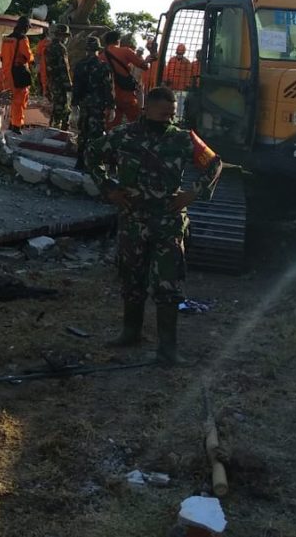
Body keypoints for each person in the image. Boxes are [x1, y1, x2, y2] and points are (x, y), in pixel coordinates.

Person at [86, 86, 223, 363]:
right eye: (162, 115)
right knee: (131, 279)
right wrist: (109, 188)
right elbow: (91, 154)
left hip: (168, 223)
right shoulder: (123, 136)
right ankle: (130, 332)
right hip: (133, 222)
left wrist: (192, 193)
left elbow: (214, 164)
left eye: (172, 115)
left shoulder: (184, 139)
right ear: (146, 110)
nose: (167, 121)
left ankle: (167, 349)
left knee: (168, 285)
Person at [72, 36, 115, 170]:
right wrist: (111, 106)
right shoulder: (103, 66)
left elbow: (76, 86)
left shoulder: (79, 65)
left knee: (83, 132)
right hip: (98, 104)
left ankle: (79, 161)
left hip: (84, 103)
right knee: (96, 133)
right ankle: (93, 163)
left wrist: (74, 104)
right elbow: (108, 88)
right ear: (98, 50)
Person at [101, 30, 153, 129]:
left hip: (110, 97)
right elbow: (144, 66)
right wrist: (149, 61)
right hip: (127, 96)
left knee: (111, 127)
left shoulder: (101, 56)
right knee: (138, 124)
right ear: (118, 41)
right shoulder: (125, 51)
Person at [0, 15, 34, 134]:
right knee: (19, 100)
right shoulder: (22, 39)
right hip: (18, 72)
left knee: (11, 100)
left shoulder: (6, 39)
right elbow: (28, 56)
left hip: (6, 73)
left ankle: (11, 123)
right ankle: (16, 126)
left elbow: (2, 57)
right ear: (25, 27)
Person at [45, 24, 73, 130]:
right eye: (65, 36)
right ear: (61, 36)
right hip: (60, 83)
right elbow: (64, 68)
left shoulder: (48, 47)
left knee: (56, 106)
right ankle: (61, 131)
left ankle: (53, 128)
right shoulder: (61, 48)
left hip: (52, 82)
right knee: (63, 108)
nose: (66, 39)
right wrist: (69, 85)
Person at [35, 25, 52, 98]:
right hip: (44, 67)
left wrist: (37, 64)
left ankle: (44, 96)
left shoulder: (43, 42)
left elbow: (37, 55)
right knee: (43, 83)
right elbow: (37, 55)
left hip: (46, 67)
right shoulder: (45, 42)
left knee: (45, 83)